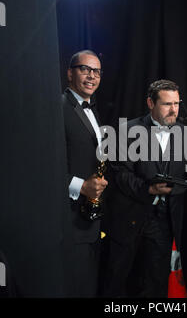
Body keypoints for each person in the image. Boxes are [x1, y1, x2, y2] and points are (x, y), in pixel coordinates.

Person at [103, 79, 187, 297]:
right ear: (150, 103)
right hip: (130, 217)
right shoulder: (128, 130)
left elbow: (185, 164)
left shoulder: (185, 132)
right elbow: (119, 173)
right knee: (116, 279)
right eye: (167, 104)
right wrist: (148, 190)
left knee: (156, 283)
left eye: (176, 103)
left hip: (165, 220)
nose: (174, 109)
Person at [62, 50, 108, 297]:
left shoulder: (93, 111)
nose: (92, 76)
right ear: (70, 73)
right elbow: (43, 165)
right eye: (85, 69)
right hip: (68, 221)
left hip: (91, 220)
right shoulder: (57, 108)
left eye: (97, 71)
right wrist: (80, 186)